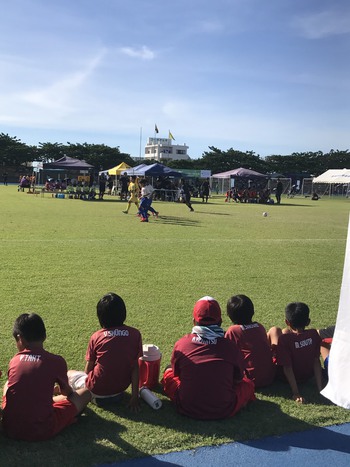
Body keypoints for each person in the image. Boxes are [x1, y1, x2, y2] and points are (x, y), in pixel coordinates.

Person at [162, 296, 255, 420]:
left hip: (187, 406)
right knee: (247, 384)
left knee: (168, 373)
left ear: (194, 321)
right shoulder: (230, 346)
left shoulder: (182, 343)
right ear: (220, 321)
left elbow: (177, 374)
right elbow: (237, 379)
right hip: (225, 408)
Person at [2, 313, 91, 441]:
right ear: (44, 336)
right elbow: (67, 392)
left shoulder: (14, 360)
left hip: (9, 427)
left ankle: (43, 403)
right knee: (86, 393)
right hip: (42, 429)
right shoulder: (56, 361)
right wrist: (69, 392)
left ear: (19, 338)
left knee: (7, 384)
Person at [67, 293, 142, 411]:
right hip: (119, 392)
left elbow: (89, 367)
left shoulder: (97, 336)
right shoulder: (135, 334)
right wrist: (134, 397)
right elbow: (135, 367)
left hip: (96, 392)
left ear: (100, 317)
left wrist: (86, 384)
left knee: (70, 373)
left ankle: (76, 392)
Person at [268, 302, 323, 403]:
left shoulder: (284, 340)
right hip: (307, 375)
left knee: (274, 330)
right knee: (284, 331)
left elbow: (287, 368)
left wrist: (296, 393)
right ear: (308, 322)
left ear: (287, 322)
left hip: (283, 377)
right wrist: (320, 388)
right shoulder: (314, 334)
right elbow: (316, 361)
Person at [225, 295, 276, 388]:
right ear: (252, 311)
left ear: (230, 315)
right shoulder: (259, 326)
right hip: (270, 376)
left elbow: (226, 352)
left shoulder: (233, 330)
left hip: (250, 379)